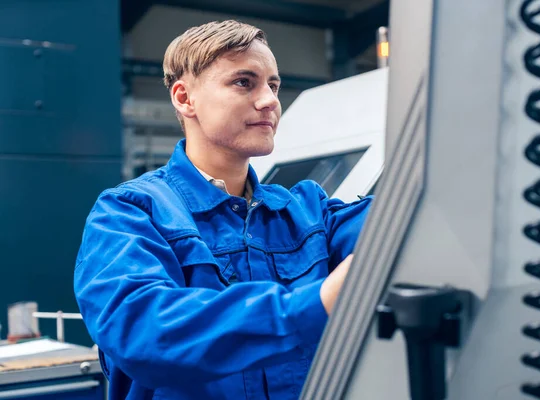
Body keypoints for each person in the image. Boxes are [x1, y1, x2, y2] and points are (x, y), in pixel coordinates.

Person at [74, 20, 372, 400]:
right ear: (184, 99)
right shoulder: (129, 214)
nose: (270, 101)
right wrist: (314, 305)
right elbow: (144, 331)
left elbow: (406, 219)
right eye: (244, 82)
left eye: (273, 85)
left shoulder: (309, 210)